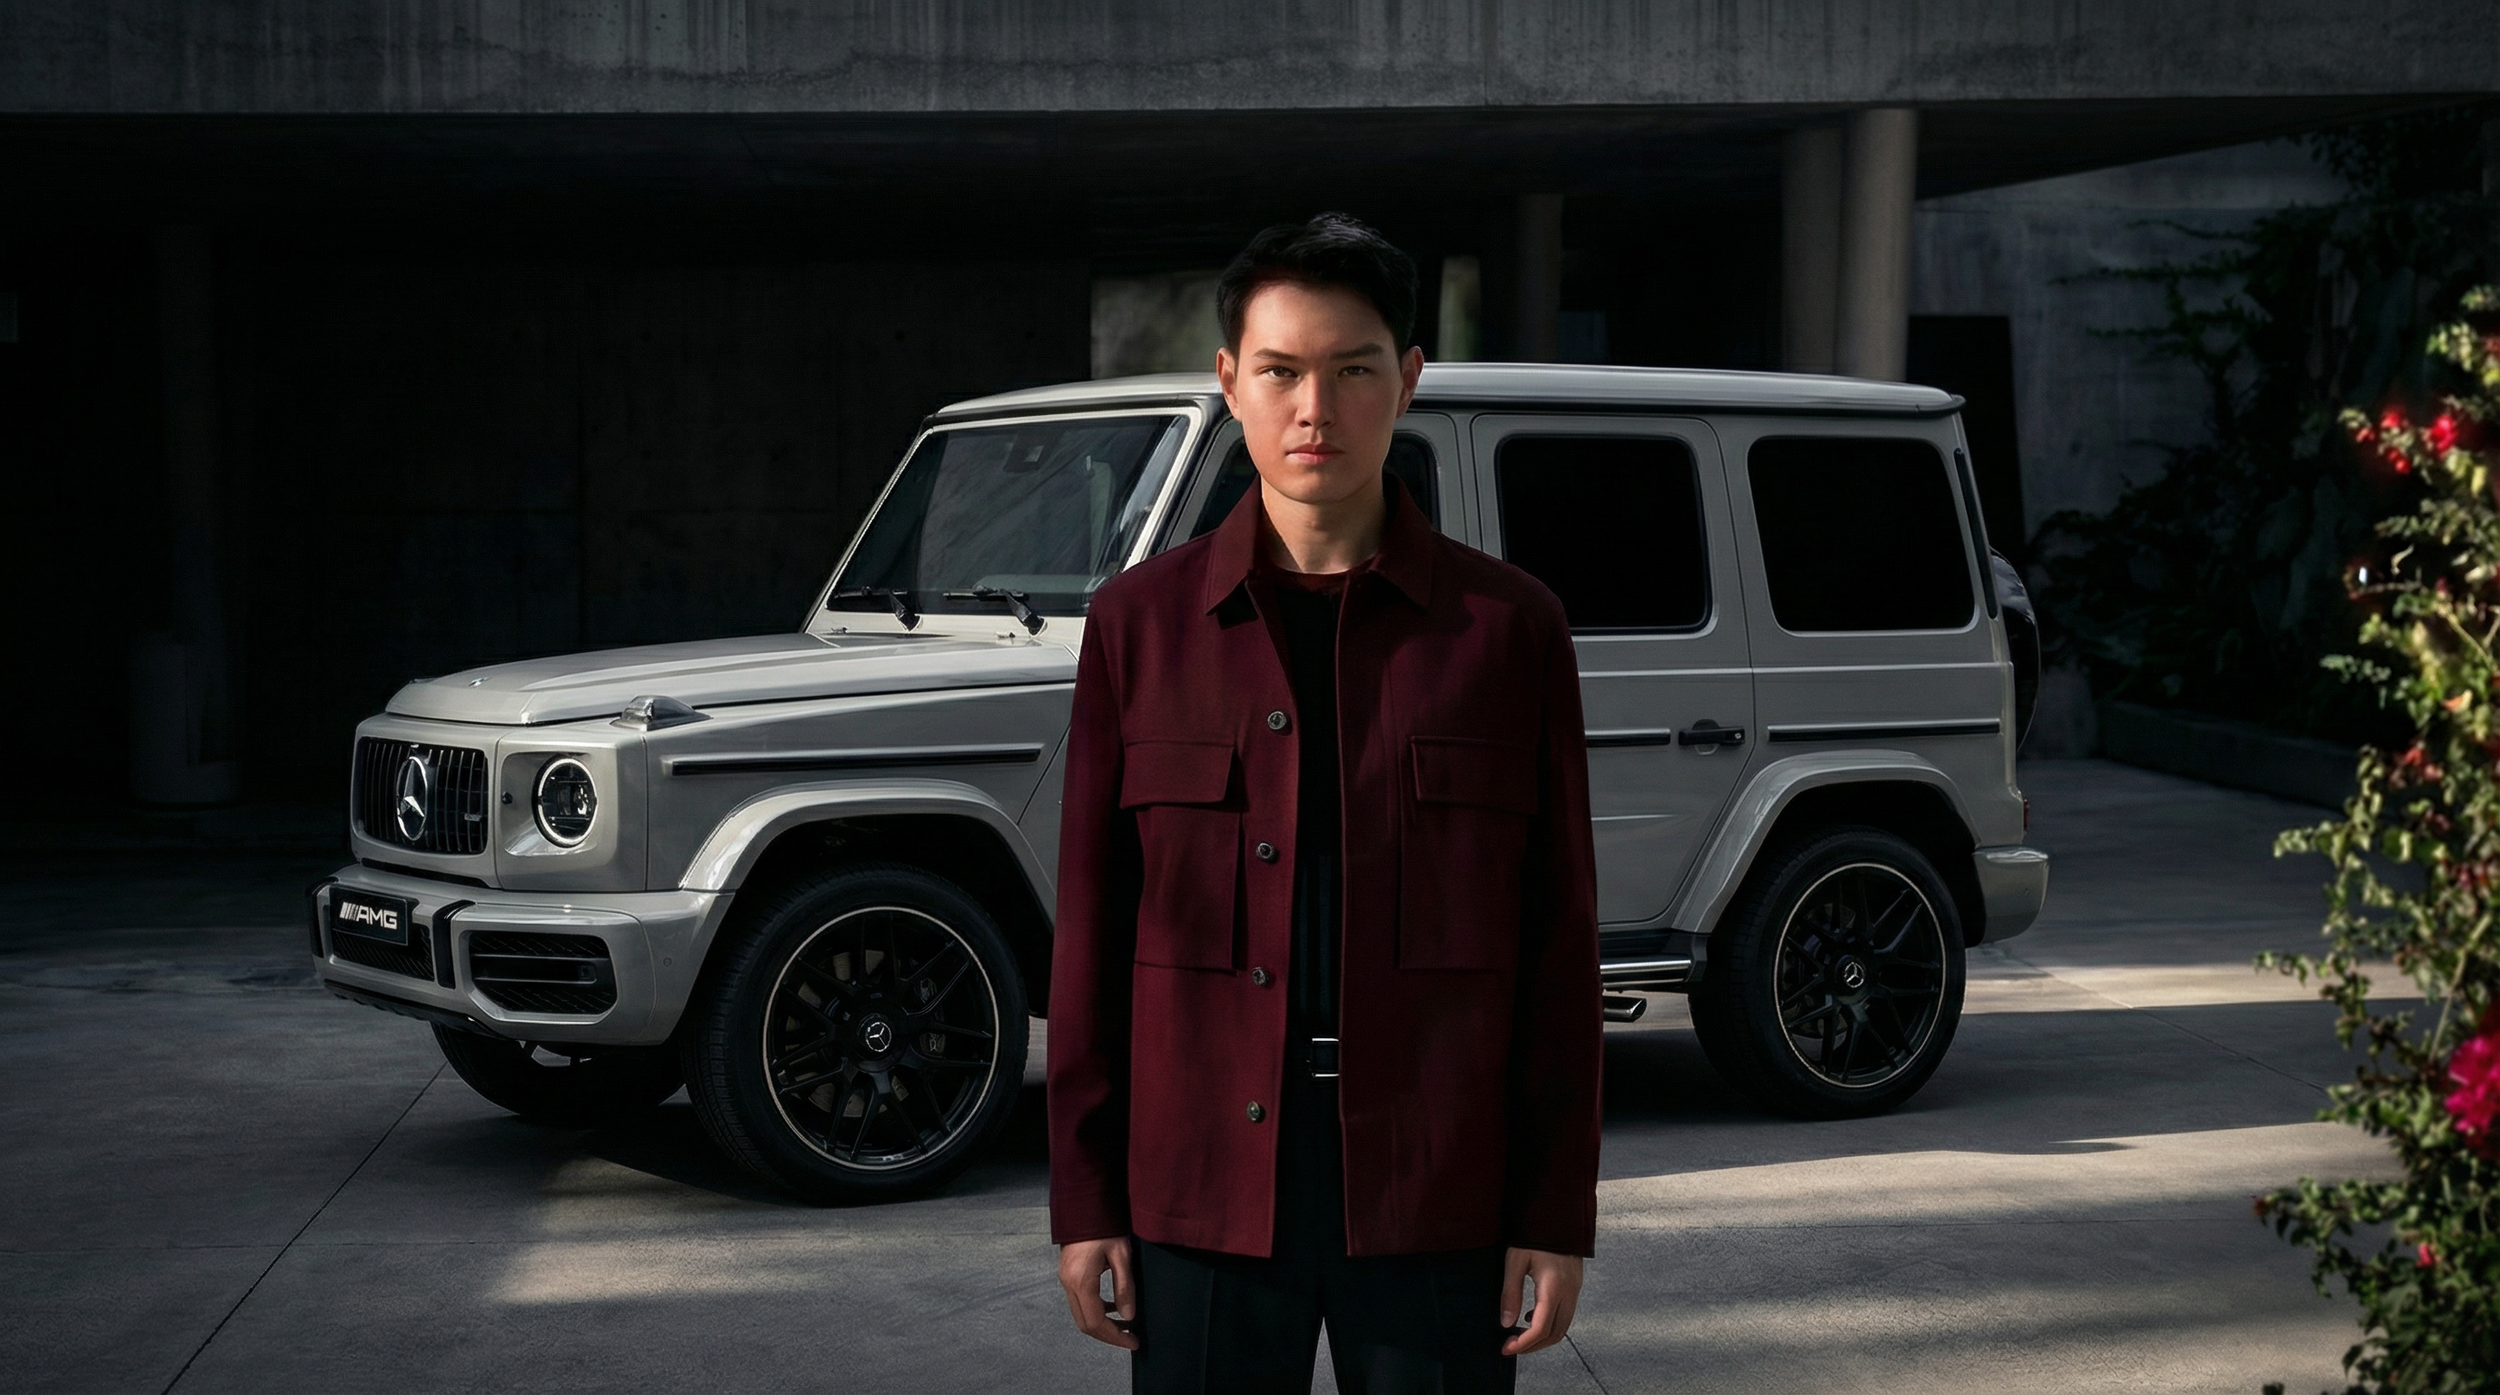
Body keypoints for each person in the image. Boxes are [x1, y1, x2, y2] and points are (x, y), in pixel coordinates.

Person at [1048, 212, 1602, 1395]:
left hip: (1433, 1188)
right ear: (1229, 384)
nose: (1317, 409)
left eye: (1353, 371)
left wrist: (1554, 1212)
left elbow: (1557, 948)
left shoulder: (1507, 632)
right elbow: (1092, 938)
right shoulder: (1138, 629)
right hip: (1197, 1189)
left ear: (1406, 380)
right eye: (1283, 372)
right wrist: (1085, 1199)